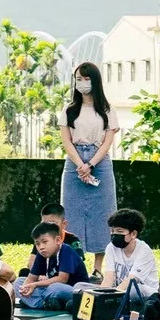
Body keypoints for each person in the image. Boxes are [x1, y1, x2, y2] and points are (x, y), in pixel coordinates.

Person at [61, 62, 118, 277]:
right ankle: (76, 265)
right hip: (74, 161)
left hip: (100, 162)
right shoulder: (69, 109)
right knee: (71, 212)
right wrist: (80, 165)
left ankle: (98, 267)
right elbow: (66, 140)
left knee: (102, 213)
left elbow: (107, 141)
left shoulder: (106, 109)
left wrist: (91, 164)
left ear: (95, 81)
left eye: (86, 79)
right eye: (78, 79)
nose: (82, 84)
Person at [17, 222, 89, 310]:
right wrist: (25, 289)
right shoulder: (42, 254)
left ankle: (40, 302)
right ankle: (46, 304)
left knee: (54, 287)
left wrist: (35, 285)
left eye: (44, 242)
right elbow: (31, 278)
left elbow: (62, 279)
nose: (41, 247)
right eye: (37, 244)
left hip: (72, 290)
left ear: (58, 240)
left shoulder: (66, 250)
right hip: (49, 290)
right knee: (19, 282)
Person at [96, 208, 160, 304]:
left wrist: (111, 297)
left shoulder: (144, 251)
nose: (114, 235)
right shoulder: (111, 247)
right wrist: (99, 295)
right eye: (112, 231)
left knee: (134, 290)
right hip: (120, 292)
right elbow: (109, 277)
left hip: (142, 293)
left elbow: (131, 280)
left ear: (133, 234)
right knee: (79, 286)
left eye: (119, 231)